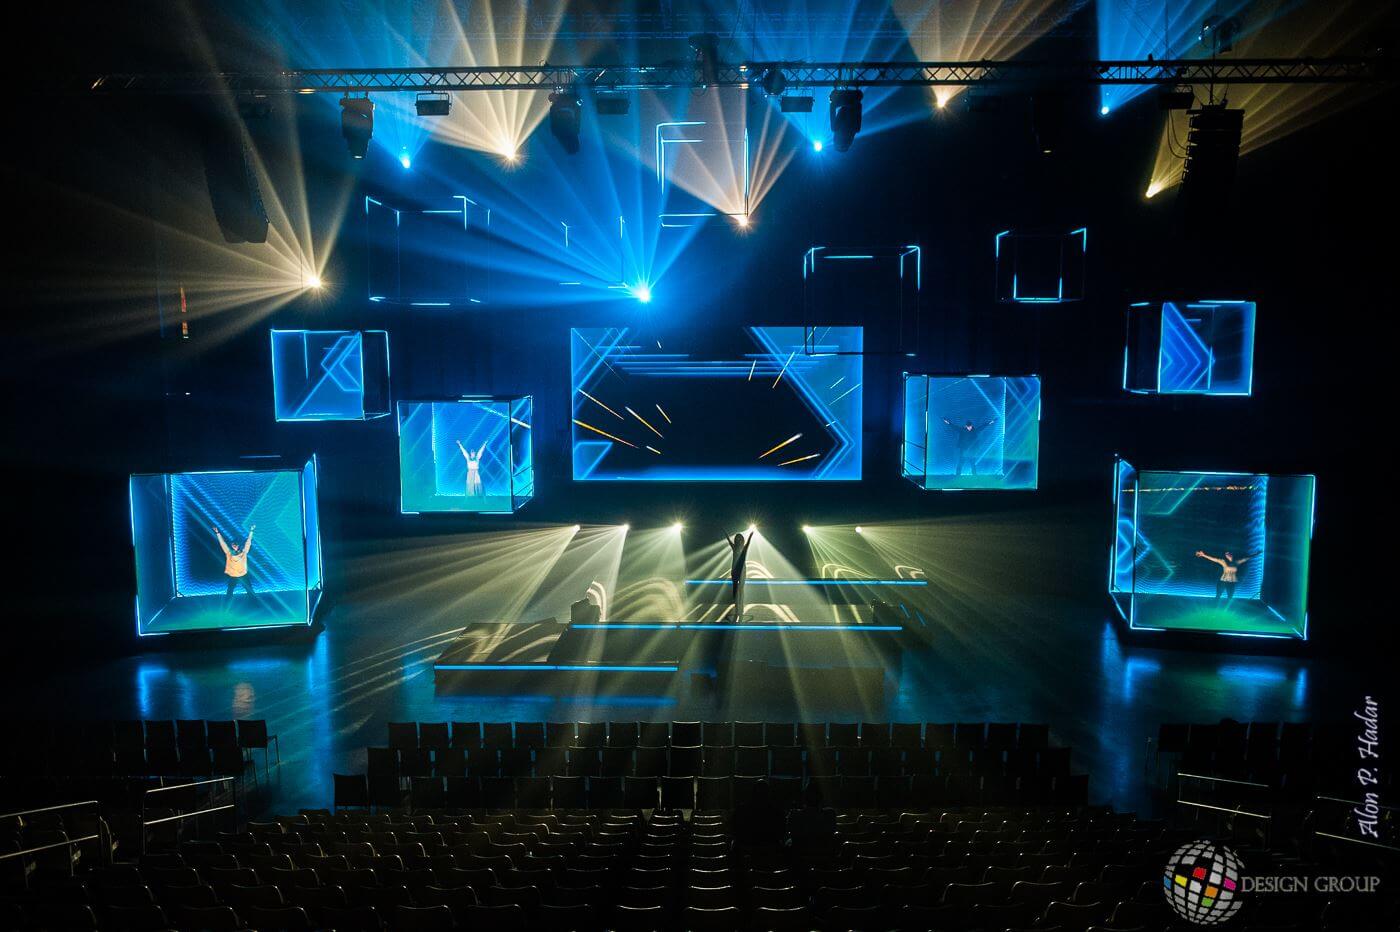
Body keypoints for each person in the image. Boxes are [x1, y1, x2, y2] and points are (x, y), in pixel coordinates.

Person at [215, 524, 255, 609]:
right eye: (233, 545)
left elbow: (248, 542)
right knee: (229, 592)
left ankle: (255, 605)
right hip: (233, 576)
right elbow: (223, 543)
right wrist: (217, 533)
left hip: (243, 575)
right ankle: (226, 607)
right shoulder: (229, 553)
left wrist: (251, 531)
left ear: (238, 545)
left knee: (250, 591)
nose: (234, 546)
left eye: (235, 545)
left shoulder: (244, 552)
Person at [727, 529, 754, 622]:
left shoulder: (743, 548)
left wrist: (750, 535)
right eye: (737, 538)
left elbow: (748, 543)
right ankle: (737, 609)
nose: (738, 540)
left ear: (742, 540)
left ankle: (740, 610)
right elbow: (728, 540)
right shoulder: (734, 547)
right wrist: (725, 532)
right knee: (736, 590)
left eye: (739, 538)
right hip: (735, 570)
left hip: (742, 569)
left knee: (741, 590)